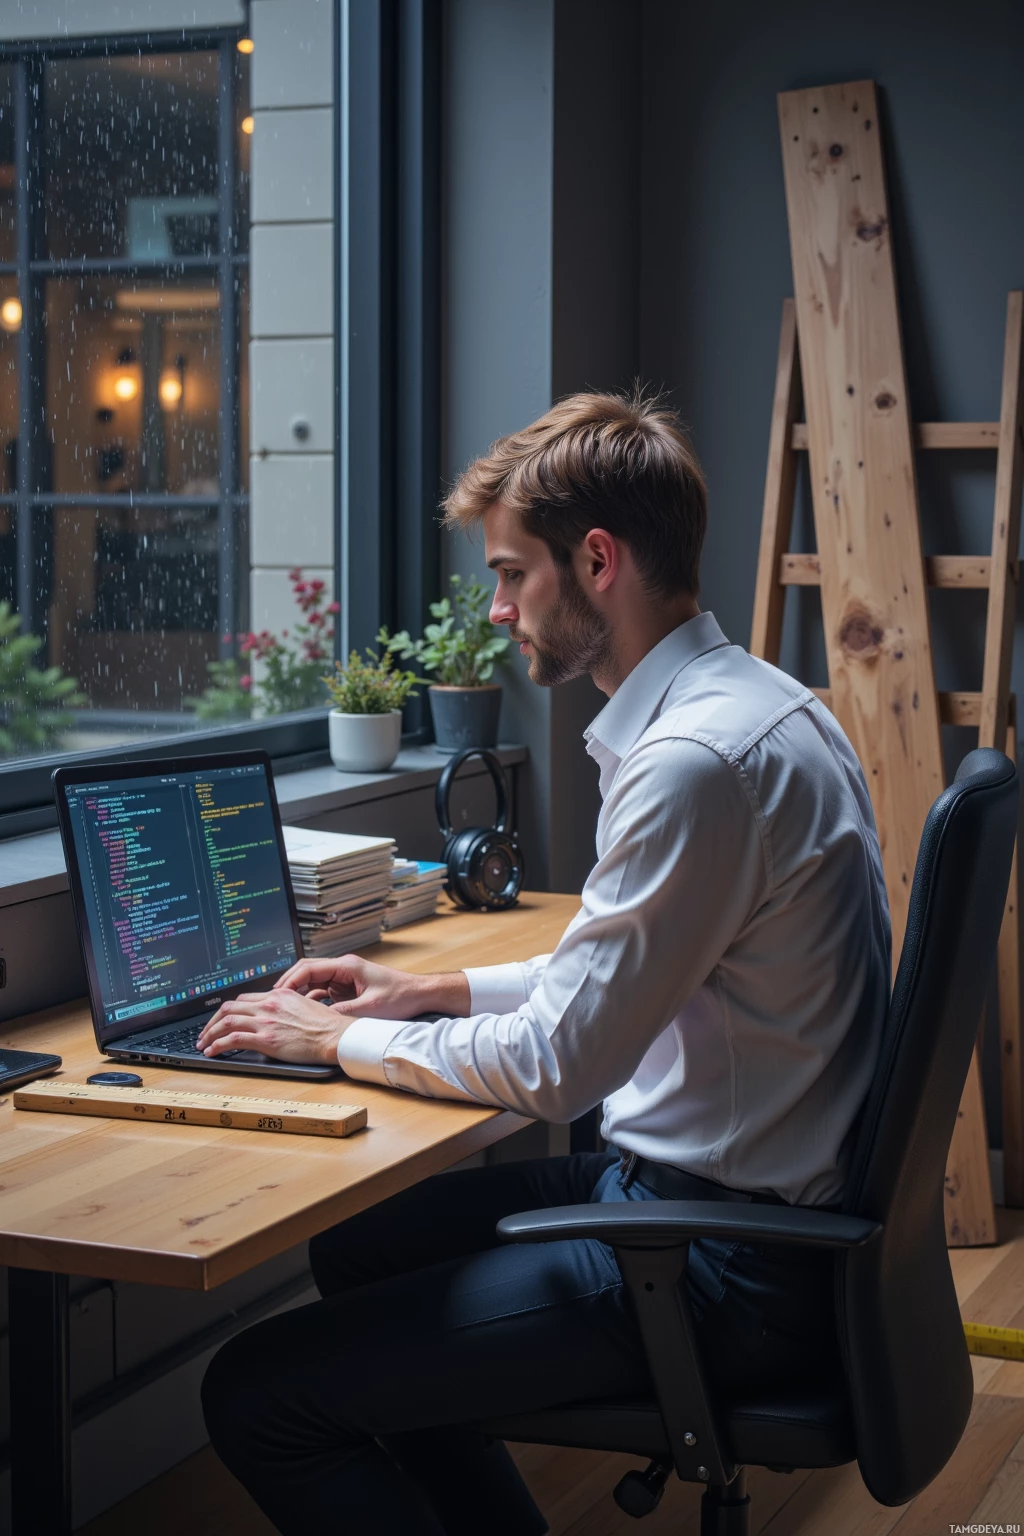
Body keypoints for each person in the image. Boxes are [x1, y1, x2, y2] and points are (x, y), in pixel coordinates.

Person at [199, 390, 890, 1536]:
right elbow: (620, 970)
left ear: (599, 561)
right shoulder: (767, 707)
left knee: (256, 1396)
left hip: (723, 1266)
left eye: (512, 573)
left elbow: (563, 1065)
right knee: (366, 1239)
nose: (498, 608)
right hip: (717, 1207)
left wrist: (342, 1040)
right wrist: (432, 989)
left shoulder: (692, 765)